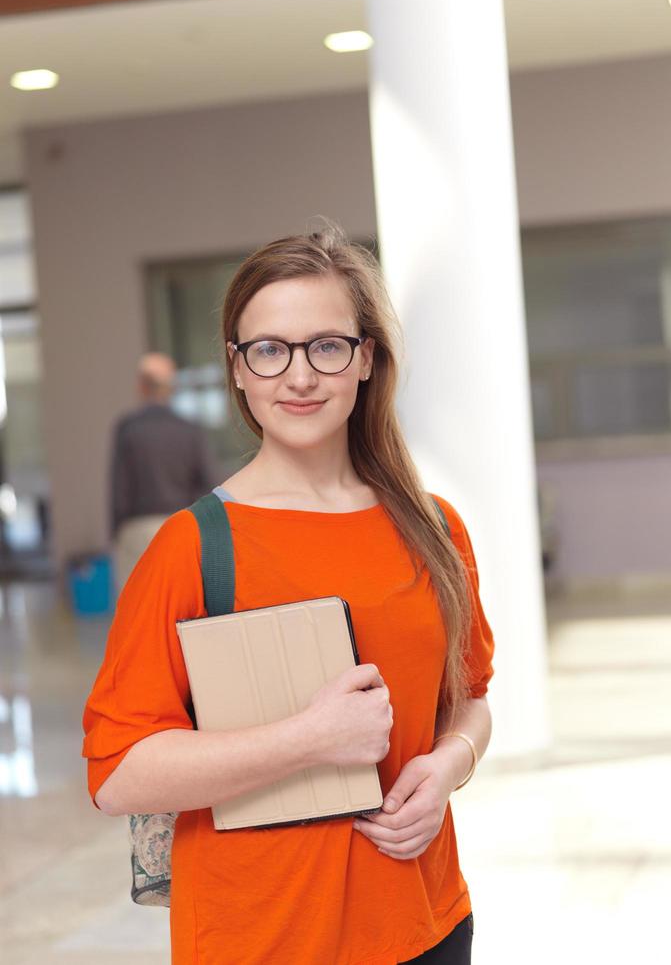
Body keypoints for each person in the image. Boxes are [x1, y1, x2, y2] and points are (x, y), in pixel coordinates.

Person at [82, 222, 494, 964]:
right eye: (269, 350)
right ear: (237, 369)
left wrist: (447, 766)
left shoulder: (434, 528)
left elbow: (468, 698)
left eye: (325, 346)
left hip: (427, 923)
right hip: (262, 938)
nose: (298, 377)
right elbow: (118, 774)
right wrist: (307, 741)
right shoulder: (193, 547)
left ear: (365, 358)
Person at [108, 352, 220, 590]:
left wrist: (116, 531)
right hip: (181, 525)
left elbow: (119, 487)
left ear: (141, 386)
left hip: (136, 529)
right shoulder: (189, 430)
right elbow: (207, 484)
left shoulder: (128, 429)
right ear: (170, 389)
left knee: (137, 602)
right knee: (181, 599)